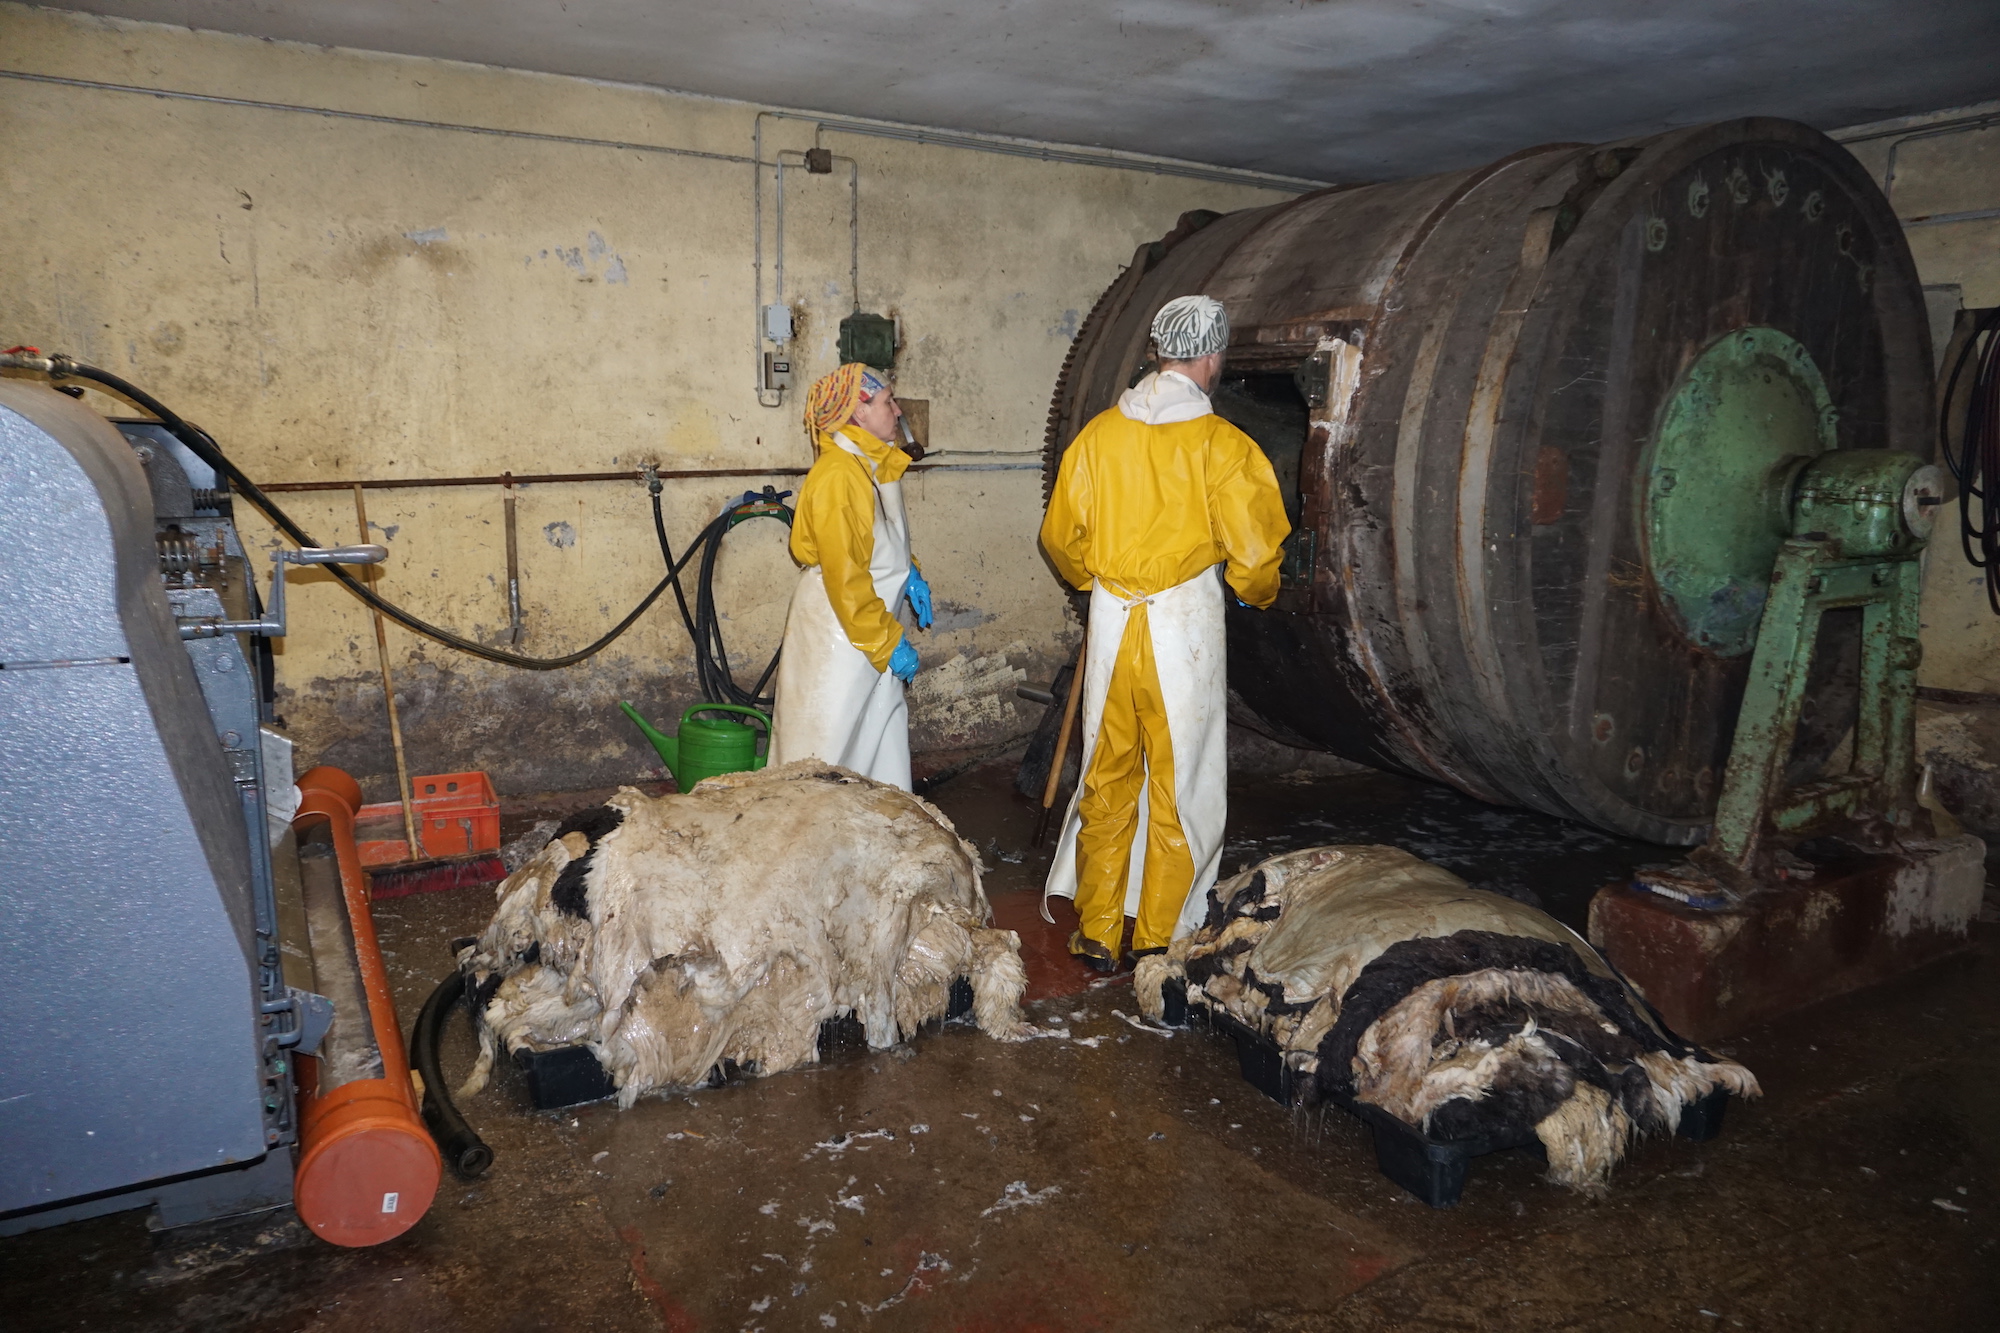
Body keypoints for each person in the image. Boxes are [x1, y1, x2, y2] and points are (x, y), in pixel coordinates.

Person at [1038, 295, 1290, 971]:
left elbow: (1061, 539)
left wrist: (1099, 583)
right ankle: (1157, 934)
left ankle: (1096, 928)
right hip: (1183, 629)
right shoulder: (1223, 447)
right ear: (1209, 358)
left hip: (1115, 623)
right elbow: (1258, 557)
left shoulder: (1097, 438)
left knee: (1108, 773)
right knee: (1182, 785)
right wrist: (1252, 592)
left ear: (1157, 352)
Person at [767, 363, 933, 789]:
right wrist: (886, 640)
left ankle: (874, 842)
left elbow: (870, 540)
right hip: (840, 635)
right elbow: (845, 575)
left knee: (879, 740)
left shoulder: (870, 463)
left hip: (868, 627)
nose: (897, 411)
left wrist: (908, 571)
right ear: (859, 412)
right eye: (886, 401)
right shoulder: (840, 474)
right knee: (824, 751)